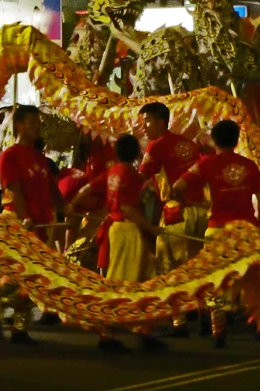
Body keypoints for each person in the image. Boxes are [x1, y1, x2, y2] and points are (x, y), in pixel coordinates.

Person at [68, 134, 166, 354]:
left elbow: (86, 190)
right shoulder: (133, 175)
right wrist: (152, 229)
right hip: (129, 230)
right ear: (135, 153)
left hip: (115, 230)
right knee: (126, 281)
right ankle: (110, 333)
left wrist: (72, 205)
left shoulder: (111, 172)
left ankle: (143, 331)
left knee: (137, 278)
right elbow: (131, 209)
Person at [174, 120, 260, 348]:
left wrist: (193, 203)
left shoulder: (206, 164)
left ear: (213, 140)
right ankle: (258, 326)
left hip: (216, 228)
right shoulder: (249, 165)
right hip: (245, 228)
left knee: (218, 280)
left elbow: (178, 186)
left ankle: (219, 332)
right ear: (237, 140)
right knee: (249, 277)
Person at [0, 105, 61, 345]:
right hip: (18, 221)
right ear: (19, 124)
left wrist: (64, 205)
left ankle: (20, 327)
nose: (37, 126)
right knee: (12, 274)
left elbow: (51, 188)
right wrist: (25, 217)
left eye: (38, 122)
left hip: (40, 223)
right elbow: (15, 190)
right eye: (32, 122)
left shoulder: (40, 157)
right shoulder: (10, 155)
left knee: (34, 278)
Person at [137, 102, 207, 337]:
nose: (143, 126)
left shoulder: (155, 147)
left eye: (147, 121)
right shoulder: (187, 143)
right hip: (201, 213)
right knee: (198, 267)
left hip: (177, 213)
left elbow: (140, 180)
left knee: (169, 266)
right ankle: (206, 315)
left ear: (161, 121)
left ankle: (179, 321)